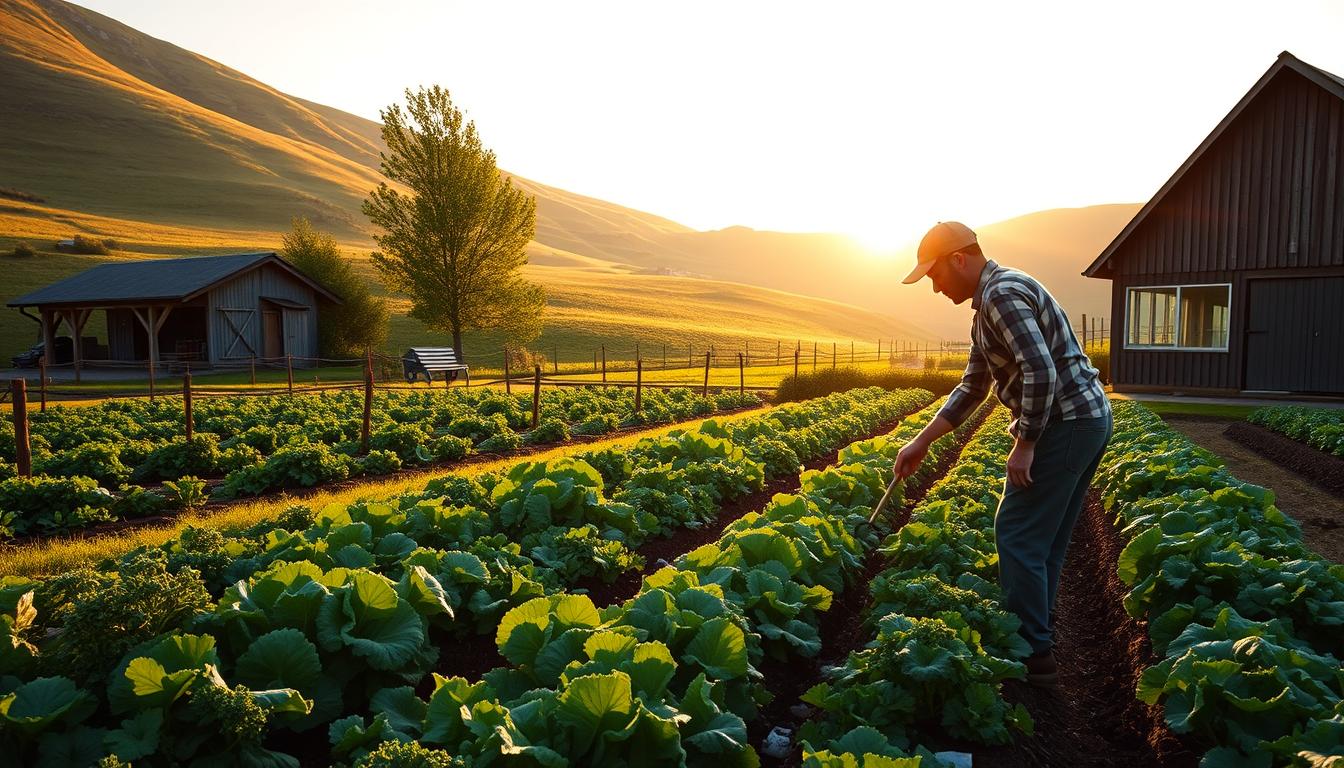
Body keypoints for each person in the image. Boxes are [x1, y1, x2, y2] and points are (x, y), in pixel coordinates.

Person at [891, 221, 1112, 687]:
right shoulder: (989, 304)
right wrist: (921, 442)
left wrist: (1025, 443)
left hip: (1066, 424)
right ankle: (1038, 642)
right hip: (1084, 420)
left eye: (934, 275)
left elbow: (1040, 369)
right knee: (1043, 540)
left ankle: (1031, 653)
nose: (934, 287)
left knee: (1016, 533)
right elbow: (973, 386)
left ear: (959, 259)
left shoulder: (1001, 295)